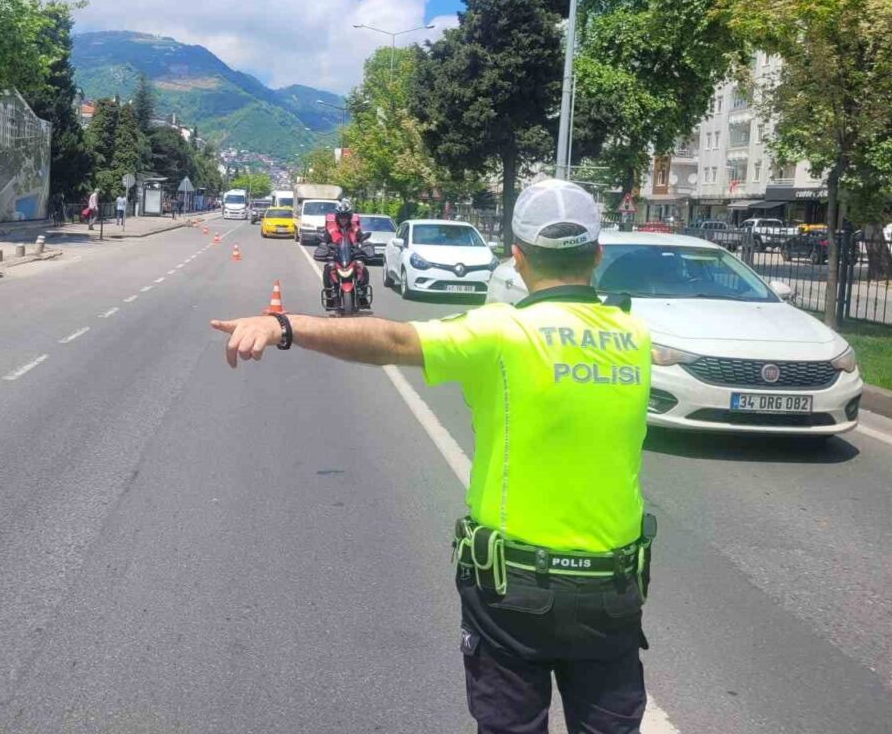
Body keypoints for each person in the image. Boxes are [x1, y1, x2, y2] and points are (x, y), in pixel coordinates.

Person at [211, 179, 654, 734]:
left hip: (514, 595)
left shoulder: (503, 331)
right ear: (597, 254)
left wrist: (284, 326)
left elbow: (391, 342)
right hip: (611, 596)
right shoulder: (635, 336)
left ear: (516, 258)